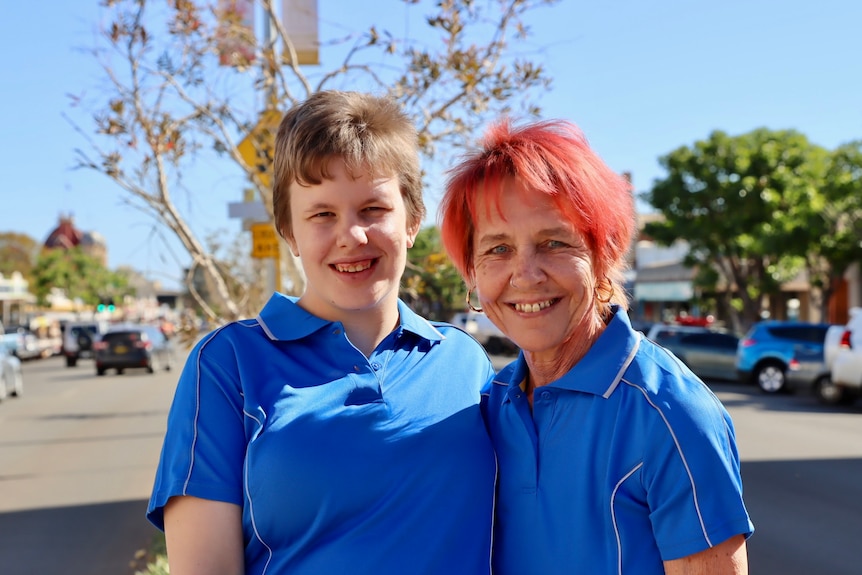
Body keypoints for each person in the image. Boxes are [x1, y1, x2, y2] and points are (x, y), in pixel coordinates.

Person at [147, 91, 497, 575]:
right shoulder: (228, 365)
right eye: (322, 214)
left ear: (413, 220)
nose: (351, 235)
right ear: (289, 231)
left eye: (373, 209)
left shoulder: (464, 361)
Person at [439, 118, 754, 575]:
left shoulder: (670, 413)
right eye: (498, 249)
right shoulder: (489, 406)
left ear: (603, 255)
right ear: (472, 272)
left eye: (553, 242)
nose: (526, 275)